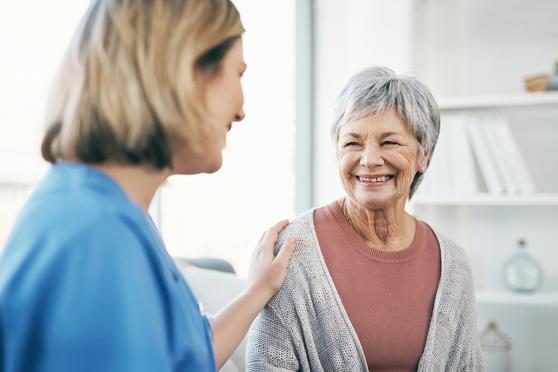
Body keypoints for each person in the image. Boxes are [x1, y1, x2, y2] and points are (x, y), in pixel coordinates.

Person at [0, 1, 297, 371]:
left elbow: (185, 358)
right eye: (238, 74)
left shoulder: (119, 215)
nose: (241, 109)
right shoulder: (93, 237)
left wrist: (260, 289)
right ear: (185, 72)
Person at [247, 67, 483, 371]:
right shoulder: (291, 253)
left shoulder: (453, 265)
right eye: (352, 143)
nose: (369, 159)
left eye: (389, 143)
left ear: (424, 154)